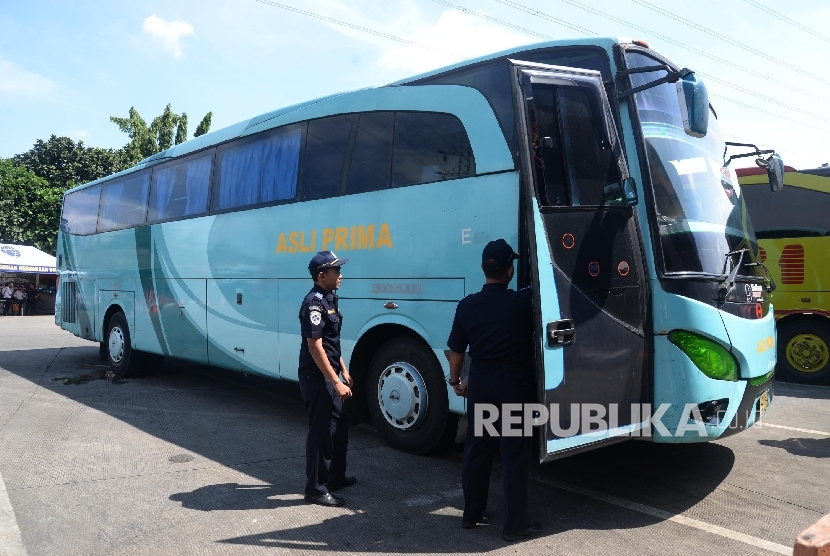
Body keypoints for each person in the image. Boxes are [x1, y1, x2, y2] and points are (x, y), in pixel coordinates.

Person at [447, 239, 541, 542]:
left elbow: (457, 350)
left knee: (477, 449)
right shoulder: (521, 301)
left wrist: (456, 380)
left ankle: (471, 514)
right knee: (514, 454)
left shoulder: (467, 305)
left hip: (482, 383)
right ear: (510, 271)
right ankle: (515, 524)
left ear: (483, 268)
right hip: (514, 385)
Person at [297, 251, 356, 507]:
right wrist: (335, 381)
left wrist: (344, 369)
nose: (340, 275)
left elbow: (333, 343)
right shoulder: (313, 303)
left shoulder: (331, 298)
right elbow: (315, 346)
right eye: (336, 271)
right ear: (322, 276)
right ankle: (316, 489)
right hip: (318, 377)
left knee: (339, 428)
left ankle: (335, 476)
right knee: (322, 433)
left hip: (330, 373)